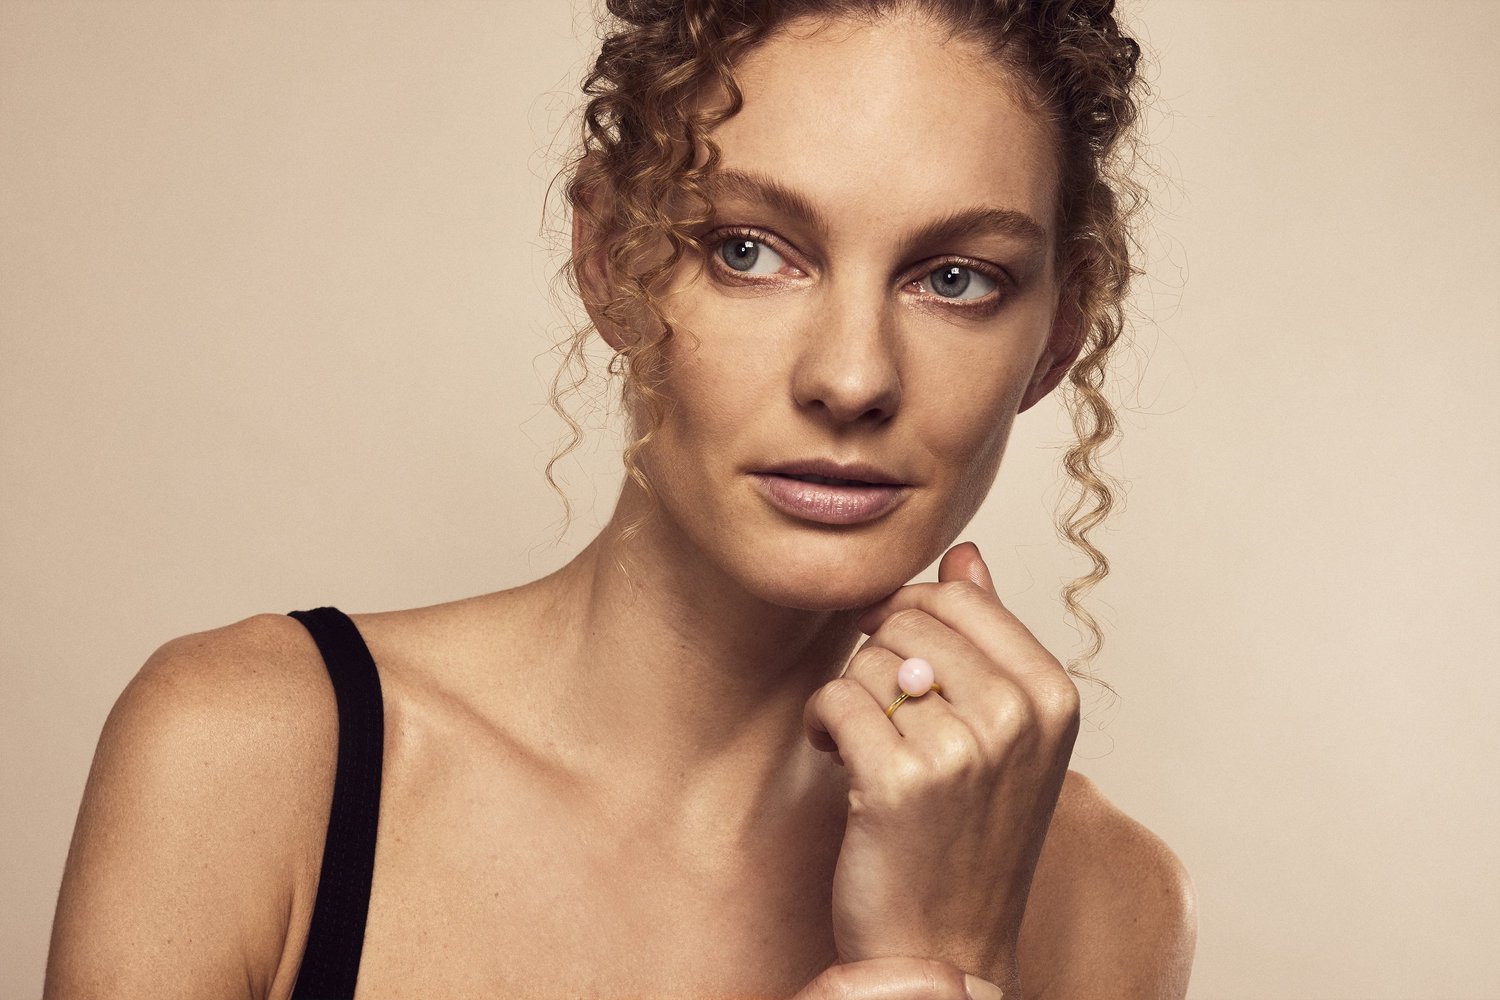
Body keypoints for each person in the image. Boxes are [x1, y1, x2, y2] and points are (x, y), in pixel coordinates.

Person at [43, 1, 1195, 997]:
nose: (852, 378)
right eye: (748, 251)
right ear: (610, 260)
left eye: (955, 278)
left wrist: (942, 957)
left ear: (1059, 329)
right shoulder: (247, 757)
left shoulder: (1105, 900)